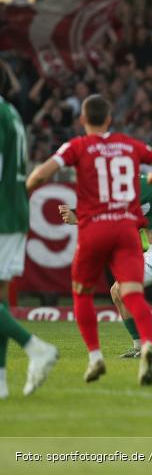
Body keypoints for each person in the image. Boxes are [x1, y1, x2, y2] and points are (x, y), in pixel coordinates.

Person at [26, 95, 152, 386]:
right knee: (132, 292)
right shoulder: (129, 145)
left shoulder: (77, 146)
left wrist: (26, 187)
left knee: (82, 294)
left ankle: (95, 357)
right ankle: (147, 342)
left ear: (82, 119)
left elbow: (40, 174)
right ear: (109, 119)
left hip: (95, 228)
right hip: (125, 229)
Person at [58, 172, 152, 358]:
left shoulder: (140, 185)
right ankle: (139, 344)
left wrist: (79, 216)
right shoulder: (136, 182)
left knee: (124, 288)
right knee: (116, 291)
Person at [0, 64, 58, 399]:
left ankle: (35, 347)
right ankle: (0, 380)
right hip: (14, 211)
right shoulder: (10, 112)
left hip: (1, 213)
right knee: (0, 302)